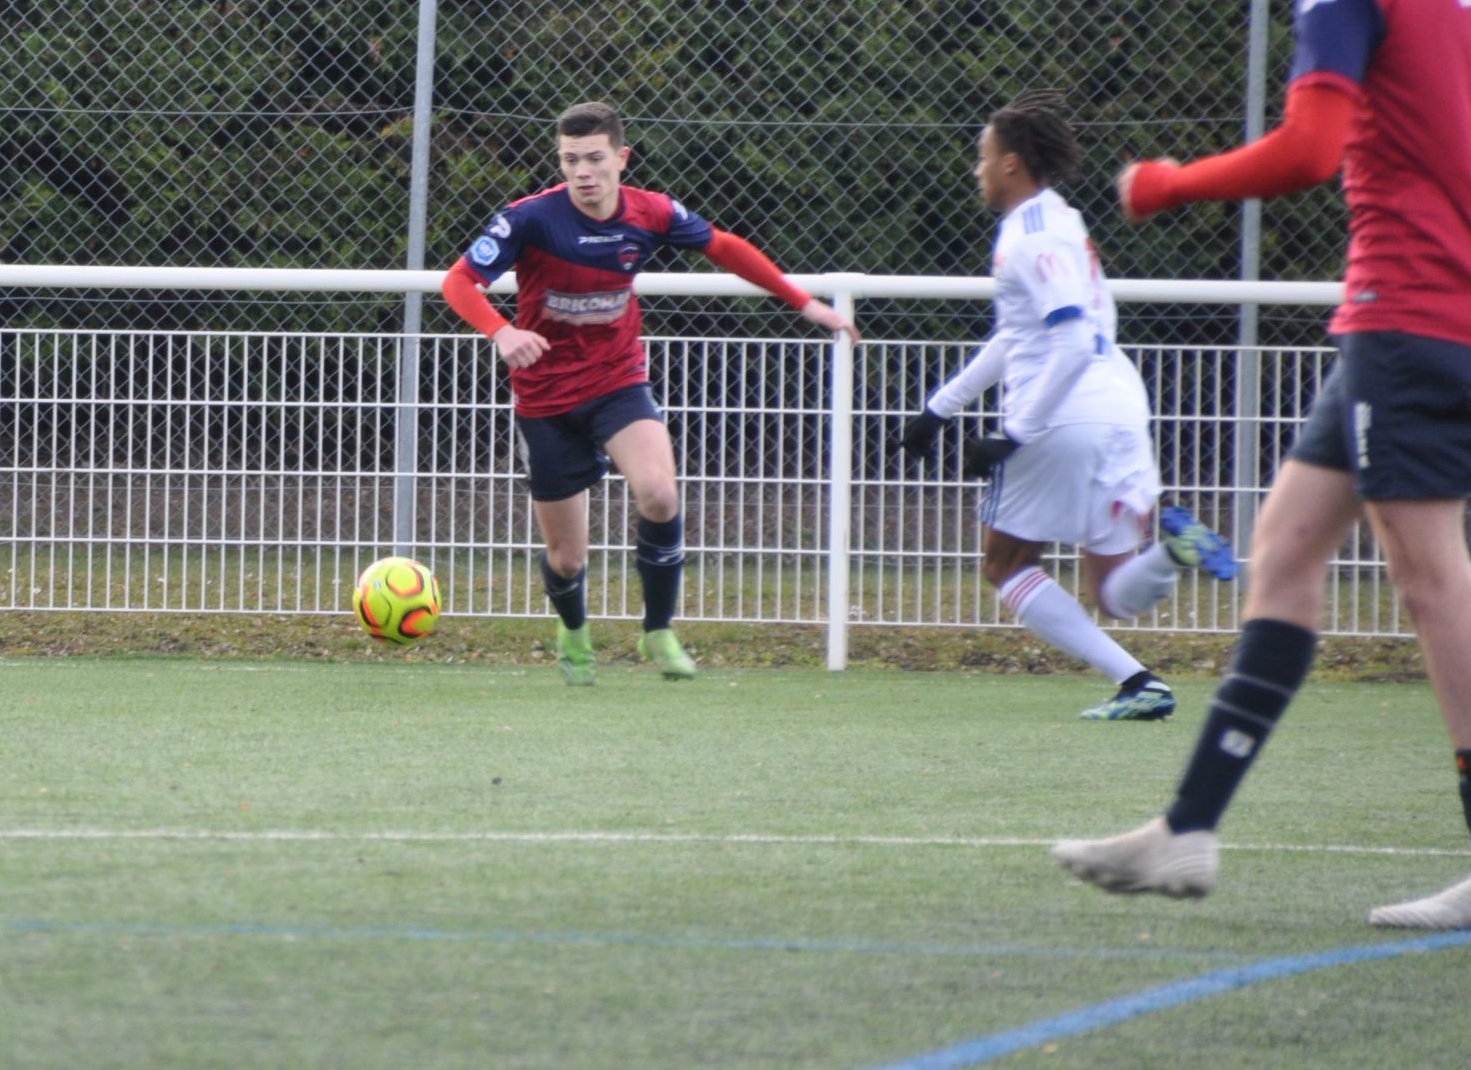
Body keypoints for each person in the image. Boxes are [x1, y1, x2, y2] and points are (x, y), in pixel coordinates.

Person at [1053, 0, 1471, 929]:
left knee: (1432, 577)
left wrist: (1167, 182)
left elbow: (1310, 146)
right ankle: (1185, 830)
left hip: (1411, 312)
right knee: (1283, 546)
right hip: (1410, 322)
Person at [441, 100, 859, 685]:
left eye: (593, 158)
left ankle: (658, 631)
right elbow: (459, 280)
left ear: (621, 157)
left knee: (660, 494)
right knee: (567, 558)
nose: (582, 172)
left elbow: (724, 247)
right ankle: (574, 631)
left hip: (617, 382)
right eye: (569, 160)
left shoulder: (651, 212)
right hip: (545, 398)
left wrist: (804, 301)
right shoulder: (530, 219)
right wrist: (502, 331)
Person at [900, 92, 1237, 721]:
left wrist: (1016, 433)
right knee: (1113, 594)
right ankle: (1170, 570)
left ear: (1011, 164)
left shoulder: (1027, 236)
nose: (976, 170)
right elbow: (1024, 334)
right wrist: (941, 407)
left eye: (983, 157)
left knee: (1005, 564)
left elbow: (1070, 338)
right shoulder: (1064, 220)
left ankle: (1138, 677)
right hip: (1120, 408)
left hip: (1062, 415)